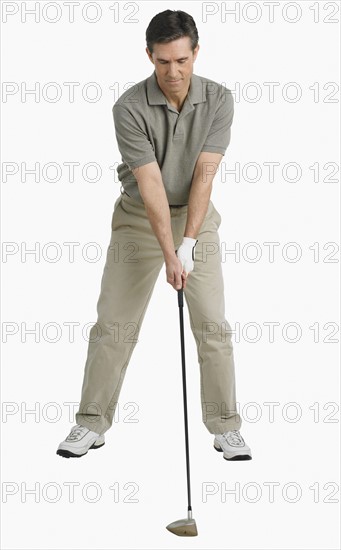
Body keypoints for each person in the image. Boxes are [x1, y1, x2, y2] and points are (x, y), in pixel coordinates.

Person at [56, 9, 252, 461]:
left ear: (195, 53)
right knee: (114, 324)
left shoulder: (220, 99)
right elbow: (150, 186)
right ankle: (91, 423)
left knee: (212, 325)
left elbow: (205, 175)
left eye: (182, 60)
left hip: (197, 219)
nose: (173, 71)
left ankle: (225, 426)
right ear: (149, 55)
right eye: (163, 61)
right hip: (138, 218)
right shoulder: (128, 107)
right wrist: (170, 254)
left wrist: (188, 243)